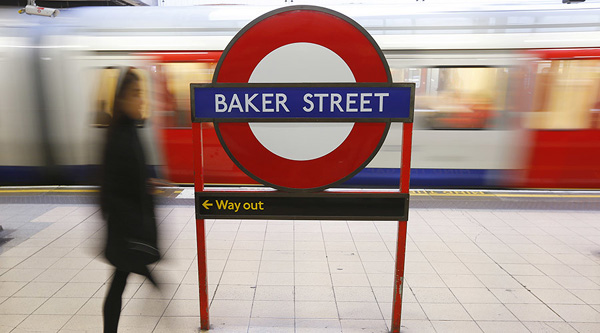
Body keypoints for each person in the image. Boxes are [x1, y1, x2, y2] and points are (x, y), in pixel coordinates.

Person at [100, 68, 160, 333]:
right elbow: (110, 187)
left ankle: (147, 271)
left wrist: (146, 183)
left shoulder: (128, 130)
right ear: (122, 98)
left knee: (119, 282)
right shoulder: (119, 136)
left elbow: (129, 174)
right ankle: (147, 272)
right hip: (126, 227)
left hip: (128, 225)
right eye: (136, 94)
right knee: (120, 281)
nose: (141, 100)